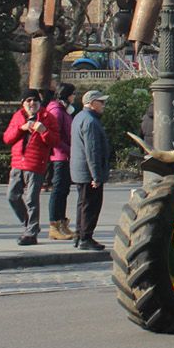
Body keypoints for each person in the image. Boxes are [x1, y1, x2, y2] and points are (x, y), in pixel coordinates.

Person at [4, 89, 56, 245]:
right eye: (28, 101)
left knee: (31, 199)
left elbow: (55, 141)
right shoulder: (17, 117)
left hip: (35, 164)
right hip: (17, 163)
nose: (32, 103)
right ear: (23, 103)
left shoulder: (48, 117)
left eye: (35, 101)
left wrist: (44, 131)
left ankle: (31, 233)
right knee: (12, 196)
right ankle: (29, 224)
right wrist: (22, 128)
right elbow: (7, 138)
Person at [69, 90, 111, 250]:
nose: (103, 106)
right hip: (88, 172)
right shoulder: (90, 121)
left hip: (80, 170)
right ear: (92, 103)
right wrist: (96, 176)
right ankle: (86, 237)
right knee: (90, 206)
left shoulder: (79, 117)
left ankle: (79, 236)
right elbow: (92, 151)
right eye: (101, 102)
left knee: (82, 204)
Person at [44, 83, 76, 241]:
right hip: (59, 157)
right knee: (58, 191)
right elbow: (54, 137)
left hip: (66, 156)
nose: (74, 97)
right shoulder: (56, 111)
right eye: (73, 94)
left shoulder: (63, 110)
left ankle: (62, 222)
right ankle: (54, 224)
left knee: (64, 191)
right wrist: (69, 149)